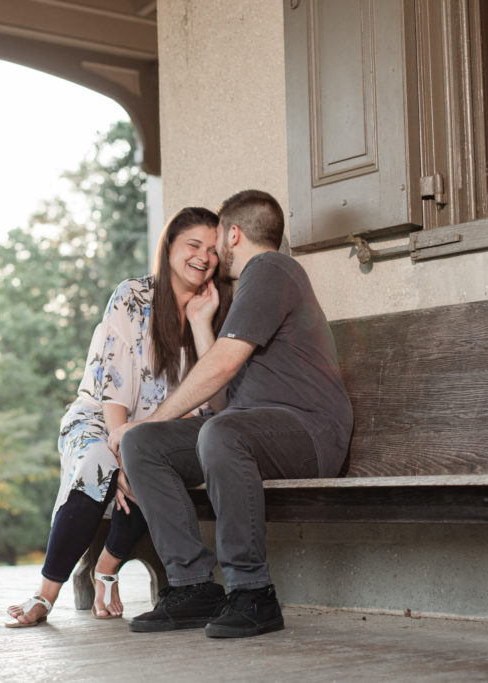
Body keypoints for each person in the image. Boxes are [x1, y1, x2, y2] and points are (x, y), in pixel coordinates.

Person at [109, 189, 353, 639]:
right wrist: (203, 324)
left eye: (217, 235)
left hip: (309, 434)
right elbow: (223, 399)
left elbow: (222, 367)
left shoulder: (272, 269)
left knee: (209, 434)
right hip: (254, 430)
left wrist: (150, 416)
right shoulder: (253, 289)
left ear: (233, 233)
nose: (214, 250)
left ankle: (253, 592)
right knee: (143, 445)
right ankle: (193, 585)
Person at [6, 207, 230, 627]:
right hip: (100, 418)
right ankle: (44, 594)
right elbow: (112, 386)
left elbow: (216, 404)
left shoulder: (214, 308)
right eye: (193, 245)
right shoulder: (133, 295)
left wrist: (202, 324)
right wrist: (123, 449)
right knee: (100, 464)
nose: (204, 256)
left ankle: (105, 567)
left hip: (158, 432)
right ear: (169, 248)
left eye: (213, 250)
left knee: (154, 465)